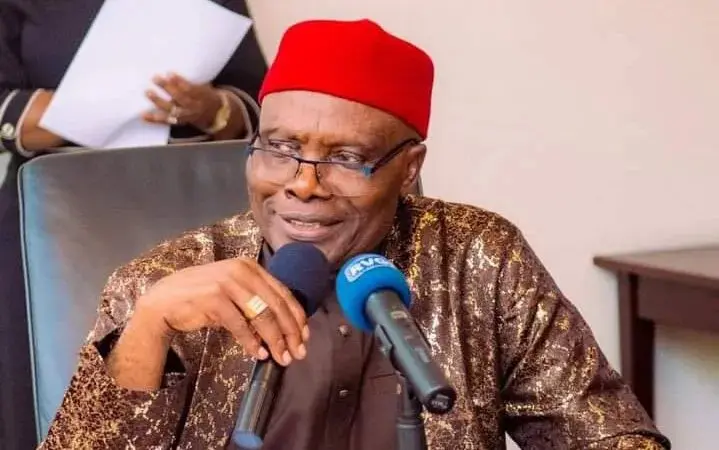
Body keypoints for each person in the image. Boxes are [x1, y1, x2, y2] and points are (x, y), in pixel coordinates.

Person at [40, 18, 670, 449]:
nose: (303, 184)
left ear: (409, 168)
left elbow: (607, 435)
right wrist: (147, 331)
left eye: (345, 158)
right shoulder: (164, 283)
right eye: (279, 148)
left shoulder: (481, 257)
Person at [0, 0, 266, 447]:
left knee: (199, 360)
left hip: (186, 203)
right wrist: (91, 104)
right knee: (51, 368)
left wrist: (212, 108)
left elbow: (261, 105)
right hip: (58, 215)